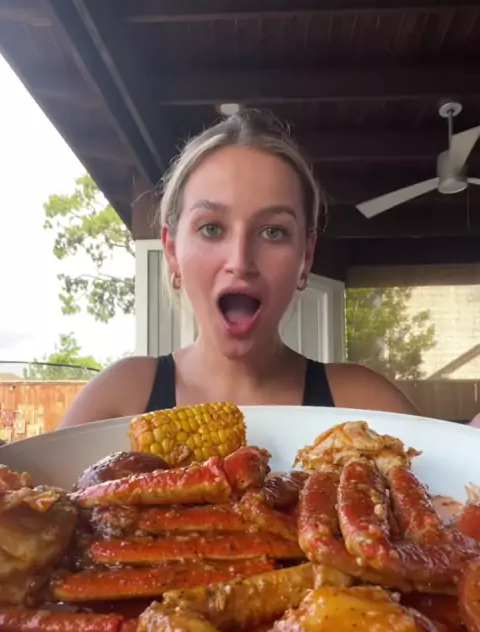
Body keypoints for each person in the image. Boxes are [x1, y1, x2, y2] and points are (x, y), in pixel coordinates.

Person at [57, 109, 474, 429]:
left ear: (306, 257)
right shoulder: (119, 401)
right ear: (171, 250)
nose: (240, 261)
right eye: (211, 228)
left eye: (273, 232)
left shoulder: (367, 406)